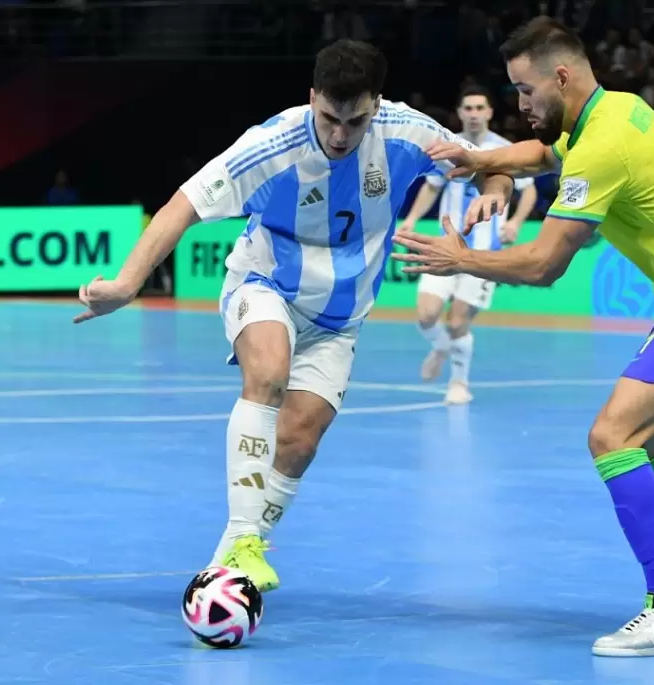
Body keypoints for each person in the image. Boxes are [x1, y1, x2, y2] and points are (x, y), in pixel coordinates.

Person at [393, 16, 654, 658]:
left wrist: (460, 259)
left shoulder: (605, 145)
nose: (521, 105)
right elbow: (542, 155)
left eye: (526, 92)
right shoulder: (614, 111)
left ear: (561, 76)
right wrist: (481, 160)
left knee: (613, 438)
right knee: (647, 448)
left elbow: (545, 264)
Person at [73, 39, 514, 594]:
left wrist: (494, 190)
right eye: (329, 117)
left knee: (301, 439)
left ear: (375, 106)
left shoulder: (406, 131)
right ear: (312, 98)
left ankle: (230, 566)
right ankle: (242, 540)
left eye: (354, 122)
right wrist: (128, 283)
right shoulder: (272, 144)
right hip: (267, 283)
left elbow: (486, 167)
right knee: (269, 375)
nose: (338, 135)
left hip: (341, 315)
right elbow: (181, 206)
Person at [398, 85, 538, 404]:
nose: (474, 114)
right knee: (425, 316)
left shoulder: (504, 150)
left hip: (483, 254)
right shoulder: (448, 148)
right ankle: (442, 346)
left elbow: (528, 190)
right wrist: (411, 218)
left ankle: (459, 383)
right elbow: (432, 188)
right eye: (468, 109)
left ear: (489, 113)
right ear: (459, 114)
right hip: (445, 245)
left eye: (480, 108)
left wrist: (515, 221)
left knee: (458, 320)